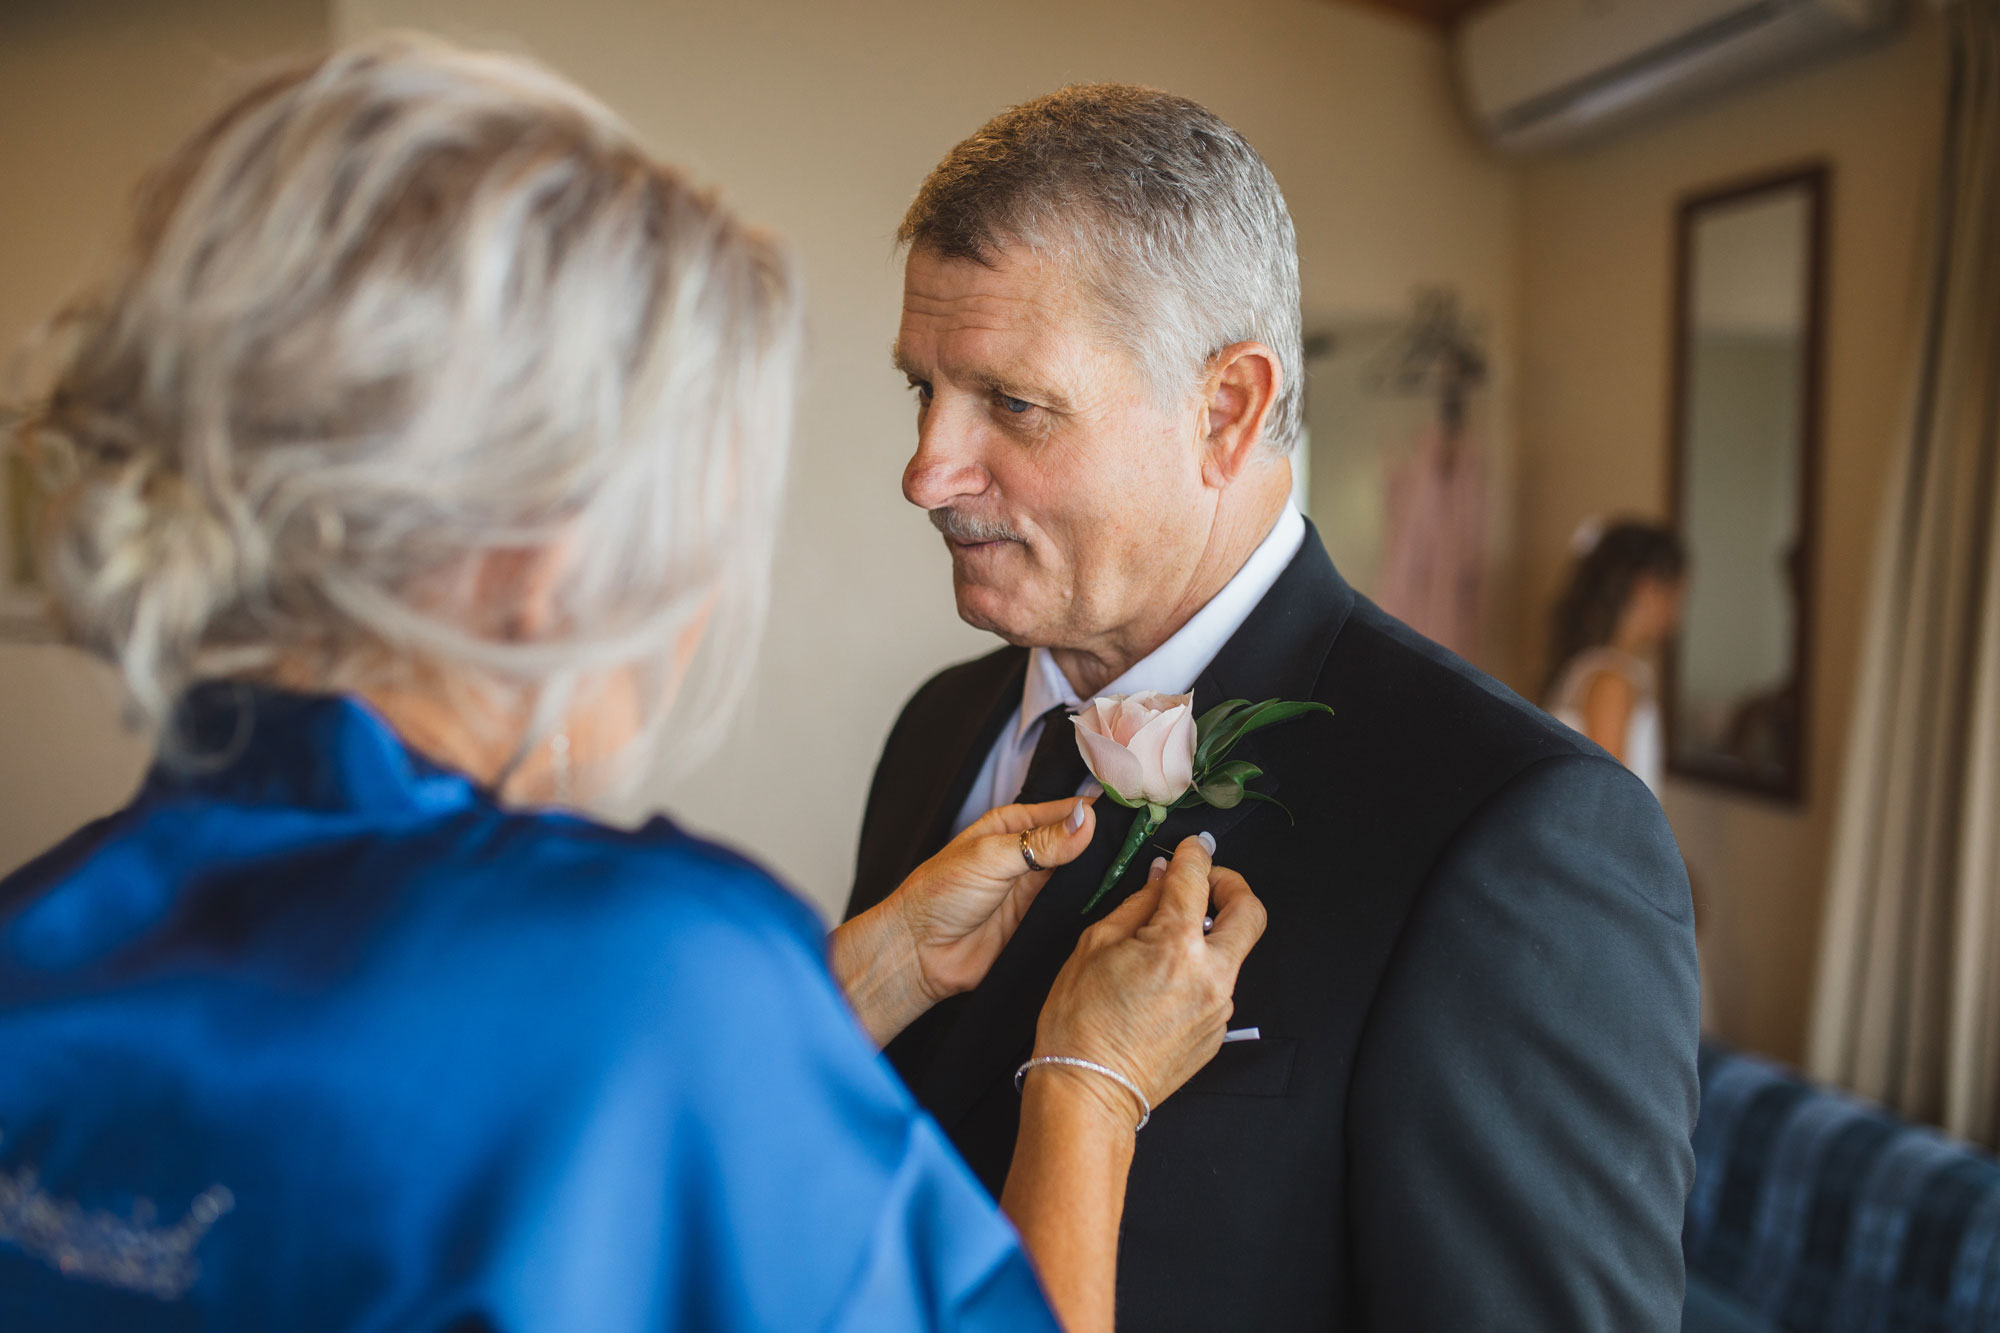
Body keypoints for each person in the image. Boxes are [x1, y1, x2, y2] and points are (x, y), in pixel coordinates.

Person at [0, 40, 1266, 1333]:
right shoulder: (655, 971)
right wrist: (1088, 1090)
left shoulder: (38, 932)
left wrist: (866, 976)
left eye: (1008, 401)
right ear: (550, 549)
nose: (925, 474)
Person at [847, 84, 1701, 1331]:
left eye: (1011, 404)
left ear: (1226, 410)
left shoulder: (1518, 836)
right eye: (920, 389)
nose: (926, 468)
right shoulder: (937, 727)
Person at [1545, 519, 1690, 794]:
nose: (1678, 618)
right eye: (1676, 598)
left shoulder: (1594, 669)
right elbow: (1609, 803)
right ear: (1647, 589)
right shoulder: (1611, 681)